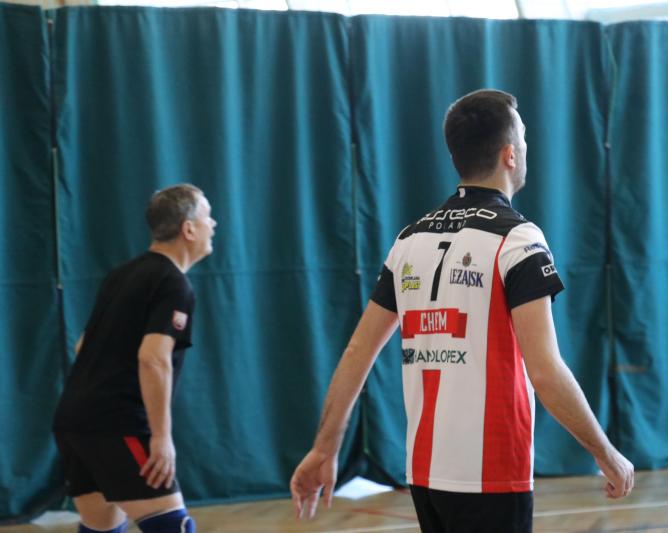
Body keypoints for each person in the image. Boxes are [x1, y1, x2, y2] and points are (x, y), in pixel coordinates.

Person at [290, 89, 634, 532]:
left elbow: (358, 351)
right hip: (492, 473)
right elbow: (545, 370)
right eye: (523, 137)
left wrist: (324, 447)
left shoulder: (409, 239)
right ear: (510, 154)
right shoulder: (518, 239)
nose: (526, 146)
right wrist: (605, 452)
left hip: (425, 474)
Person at [52, 184, 216, 533]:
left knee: (102, 527)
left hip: (73, 419)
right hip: (117, 423)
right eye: (208, 216)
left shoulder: (121, 275)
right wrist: (160, 436)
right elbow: (153, 359)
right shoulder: (173, 283)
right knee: (172, 526)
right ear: (188, 229)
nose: (213, 224)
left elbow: (83, 347)